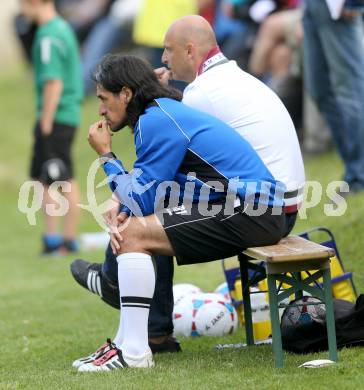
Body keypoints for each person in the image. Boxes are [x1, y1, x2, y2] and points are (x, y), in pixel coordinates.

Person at [70, 14, 305, 365]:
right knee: (135, 224)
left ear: (126, 93)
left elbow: (140, 197)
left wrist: (107, 156)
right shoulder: (164, 110)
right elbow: (151, 188)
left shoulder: (163, 115)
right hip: (257, 206)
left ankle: (133, 348)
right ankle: (132, 339)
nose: (101, 110)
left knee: (133, 231)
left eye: (104, 99)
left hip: (255, 211)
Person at [20, 0, 83, 254]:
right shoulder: (62, 27)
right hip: (63, 114)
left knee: (61, 178)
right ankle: (51, 238)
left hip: (57, 116)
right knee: (45, 179)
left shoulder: (48, 36)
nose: (21, 11)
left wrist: (45, 120)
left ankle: (66, 240)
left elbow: (53, 82)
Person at [303, 0, 364, 193]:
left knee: (351, 92)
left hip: (338, 6)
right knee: (319, 90)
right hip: (313, 7)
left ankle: (358, 176)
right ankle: (354, 169)